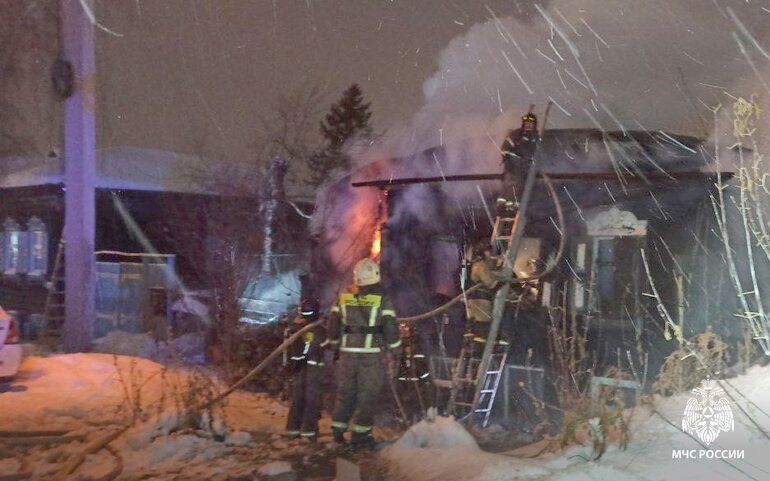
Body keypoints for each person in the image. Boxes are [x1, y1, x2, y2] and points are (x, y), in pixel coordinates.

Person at [326, 258, 401, 449]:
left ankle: (338, 432)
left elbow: (333, 324)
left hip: (347, 355)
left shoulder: (344, 296)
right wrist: (395, 348)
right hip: (370, 355)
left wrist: (335, 344)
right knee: (368, 395)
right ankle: (360, 437)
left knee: (346, 393)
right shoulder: (382, 297)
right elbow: (391, 327)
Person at [284, 298, 326, 441]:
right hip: (312, 367)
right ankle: (309, 432)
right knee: (312, 400)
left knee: (298, 398)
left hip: (298, 368)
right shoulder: (317, 328)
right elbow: (320, 344)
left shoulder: (294, 326)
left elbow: (292, 348)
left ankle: (292, 429)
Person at [465, 239, 507, 353]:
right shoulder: (479, 265)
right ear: (483, 253)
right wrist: (506, 280)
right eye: (489, 252)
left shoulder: (477, 265)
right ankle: (479, 353)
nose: (492, 255)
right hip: (480, 306)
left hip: (478, 306)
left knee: (480, 332)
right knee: (482, 333)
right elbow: (492, 283)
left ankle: (477, 352)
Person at [497, 111, 538, 216]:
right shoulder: (516, 134)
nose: (528, 126)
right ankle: (506, 206)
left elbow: (535, 151)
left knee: (516, 185)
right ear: (523, 124)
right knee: (511, 184)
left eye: (531, 124)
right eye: (527, 123)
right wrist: (506, 158)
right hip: (514, 163)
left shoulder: (534, 137)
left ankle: (510, 206)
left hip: (523, 165)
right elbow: (505, 147)